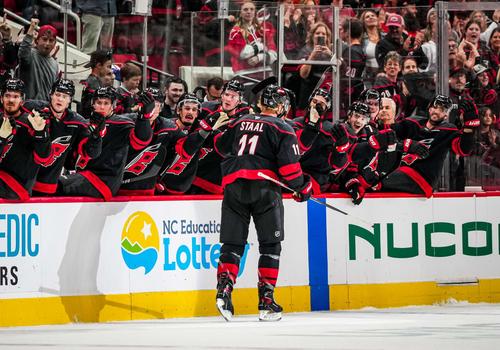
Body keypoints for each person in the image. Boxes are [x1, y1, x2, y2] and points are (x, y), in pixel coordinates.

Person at [213, 84, 313, 322]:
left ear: (260, 104)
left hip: (234, 186)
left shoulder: (240, 121)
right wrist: (303, 188)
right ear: (280, 107)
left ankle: (223, 292)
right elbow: (289, 169)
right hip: (264, 190)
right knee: (270, 245)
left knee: (232, 243)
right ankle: (266, 301)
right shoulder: (283, 127)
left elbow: (221, 147)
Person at [58, 87, 154, 201]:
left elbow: (141, 141)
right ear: (93, 104)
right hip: (84, 175)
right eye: (99, 102)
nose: (102, 107)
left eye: (106, 103)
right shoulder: (85, 123)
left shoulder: (122, 124)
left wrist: (144, 117)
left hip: (104, 181)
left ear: (113, 105)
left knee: (58, 185)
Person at [380, 95, 479, 197]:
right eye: (435, 107)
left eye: (442, 110)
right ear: (429, 108)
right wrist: (380, 119)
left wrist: (469, 128)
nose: (436, 111)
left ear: (446, 115)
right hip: (401, 173)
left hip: (422, 180)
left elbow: (463, 150)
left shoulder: (449, 131)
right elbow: (387, 135)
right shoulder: (412, 123)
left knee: (376, 183)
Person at [24, 79, 103, 196]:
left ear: (70, 100)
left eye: (65, 96)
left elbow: (91, 153)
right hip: (23, 181)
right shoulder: (32, 108)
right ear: (51, 95)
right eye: (57, 94)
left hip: (47, 184)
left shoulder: (77, 122)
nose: (60, 99)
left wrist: (96, 137)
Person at [189, 80, 251, 194]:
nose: (228, 99)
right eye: (226, 94)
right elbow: (190, 138)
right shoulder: (205, 109)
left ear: (240, 100)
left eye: (233, 96)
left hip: (218, 180)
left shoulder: (243, 119)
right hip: (194, 174)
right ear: (221, 95)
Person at [0, 79, 51, 200]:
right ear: (1, 98)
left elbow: (45, 159)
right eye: (7, 95)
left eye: (16, 96)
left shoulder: (32, 122)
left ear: (22, 100)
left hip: (17, 186)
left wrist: (41, 133)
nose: (11, 100)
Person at [226, 0, 277, 78]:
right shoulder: (235, 31)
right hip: (244, 75)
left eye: (251, 9)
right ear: (240, 13)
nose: (249, 12)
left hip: (265, 73)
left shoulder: (262, 30)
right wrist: (261, 46)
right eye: (245, 9)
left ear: (255, 12)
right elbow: (242, 54)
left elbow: (274, 54)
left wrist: (260, 57)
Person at [18, 18, 59, 101]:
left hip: (45, 109)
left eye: (51, 40)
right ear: (37, 41)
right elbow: (23, 52)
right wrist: (31, 28)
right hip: (26, 108)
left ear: (54, 43)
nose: (47, 44)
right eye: (44, 39)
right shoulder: (30, 55)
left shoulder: (55, 64)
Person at [80, 49, 113, 118]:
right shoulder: (93, 84)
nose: (109, 70)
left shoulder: (95, 81)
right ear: (98, 65)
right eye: (108, 66)